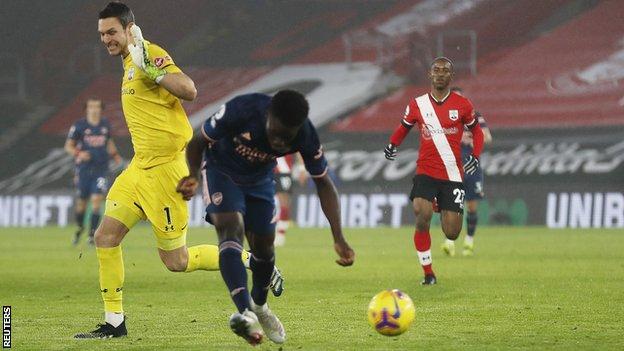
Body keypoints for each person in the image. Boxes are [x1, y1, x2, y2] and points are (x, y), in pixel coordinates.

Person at [75, 2, 283, 339]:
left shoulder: (149, 55)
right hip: (139, 168)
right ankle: (114, 322)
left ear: (129, 29)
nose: (106, 40)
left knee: (177, 261)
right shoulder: (131, 61)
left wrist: (154, 70)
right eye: (101, 35)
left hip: (167, 170)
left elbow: (189, 90)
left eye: (111, 32)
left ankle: (254, 259)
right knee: (105, 237)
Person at [177, 90, 355, 345]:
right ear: (268, 115)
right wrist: (193, 175)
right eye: (276, 133)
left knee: (264, 249)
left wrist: (338, 237)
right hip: (221, 171)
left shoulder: (306, 134)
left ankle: (260, 307)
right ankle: (245, 312)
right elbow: (197, 142)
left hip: (260, 181)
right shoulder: (243, 109)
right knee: (230, 229)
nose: (280, 143)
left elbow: (323, 183)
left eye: (287, 138)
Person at [384, 57, 485, 285]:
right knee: (421, 211)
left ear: (451, 76)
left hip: (452, 174)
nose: (440, 73)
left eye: (445, 70)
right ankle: (428, 272)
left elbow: (477, 133)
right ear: (430, 75)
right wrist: (392, 144)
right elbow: (403, 128)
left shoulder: (463, 104)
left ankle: (441, 203)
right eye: (436, 70)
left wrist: (476, 156)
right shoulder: (418, 104)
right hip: (426, 171)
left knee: (451, 233)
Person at [441, 87, 492, 257]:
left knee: (471, 205)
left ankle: (469, 241)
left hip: (472, 164)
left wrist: (472, 137)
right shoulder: (445, 118)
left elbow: (487, 136)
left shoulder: (474, 116)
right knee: (453, 203)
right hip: (454, 164)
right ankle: (450, 241)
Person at [64, 98, 122, 246]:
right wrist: (79, 154)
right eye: (91, 107)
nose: (94, 109)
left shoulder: (105, 125)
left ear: (101, 109)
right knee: (81, 204)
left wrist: (115, 156)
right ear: (86, 109)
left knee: (96, 201)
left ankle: (92, 234)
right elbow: (68, 146)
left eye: (97, 107)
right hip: (83, 170)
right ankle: (79, 227)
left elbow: (108, 142)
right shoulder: (79, 126)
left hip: (101, 169)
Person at [273, 153, 307, 247]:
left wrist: (302, 169)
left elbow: (299, 151)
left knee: (284, 204)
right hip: (265, 170)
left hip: (284, 171)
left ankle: (280, 235)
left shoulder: (289, 138)